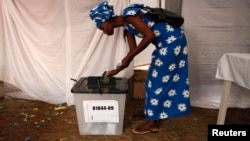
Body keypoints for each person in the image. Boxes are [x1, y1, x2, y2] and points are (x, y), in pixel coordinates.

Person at [89, 1, 191, 135]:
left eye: (101, 28)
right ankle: (150, 110)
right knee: (152, 80)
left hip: (173, 42)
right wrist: (117, 70)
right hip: (167, 44)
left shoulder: (129, 16)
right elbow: (132, 52)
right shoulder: (127, 27)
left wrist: (128, 56)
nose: (103, 32)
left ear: (106, 20)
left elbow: (149, 36)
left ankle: (152, 123)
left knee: (157, 81)